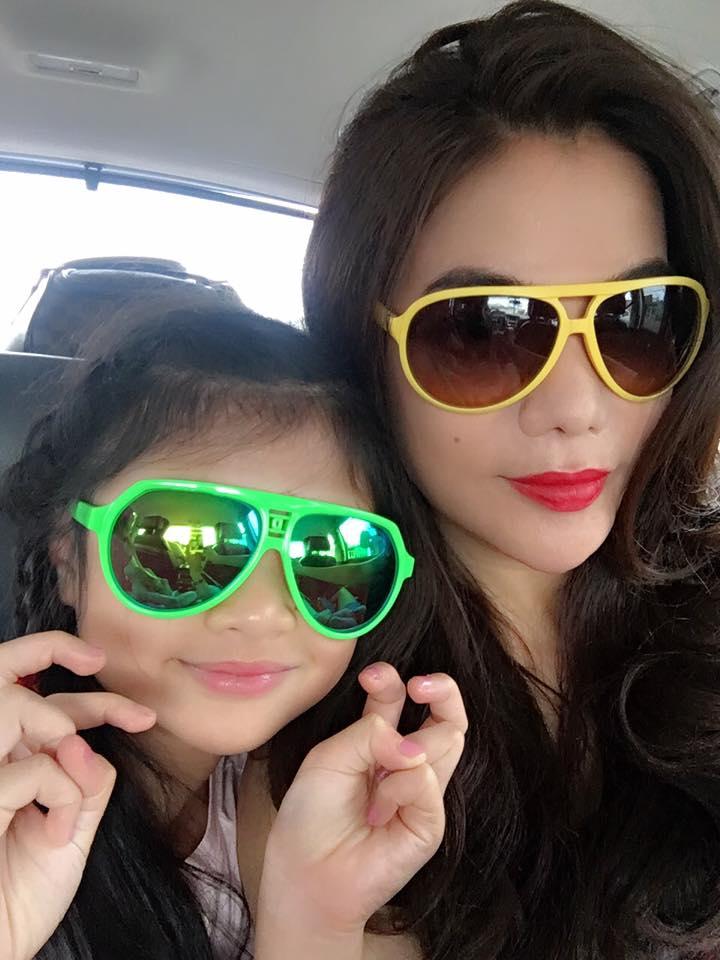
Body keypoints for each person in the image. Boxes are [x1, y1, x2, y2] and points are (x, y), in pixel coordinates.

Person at [303, 2, 720, 957]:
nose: (577, 407)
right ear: (368, 348)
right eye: (481, 331)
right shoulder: (304, 696)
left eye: (637, 320)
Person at [0, 306, 466, 960]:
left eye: (330, 553)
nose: (261, 612)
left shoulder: (337, 807)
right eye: (183, 544)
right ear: (68, 562)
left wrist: (315, 921)